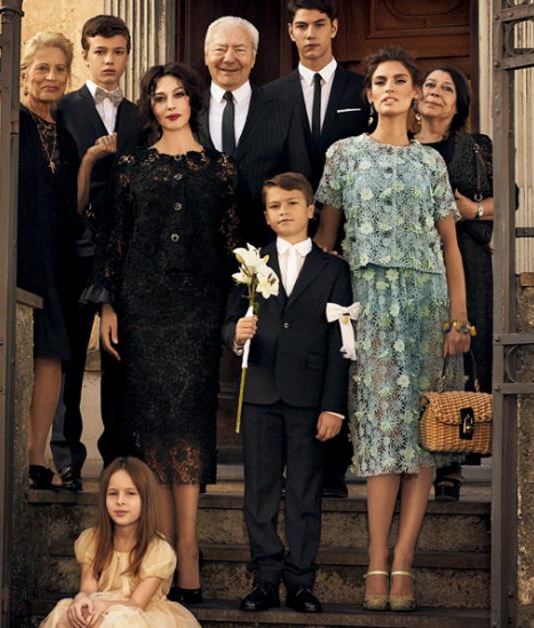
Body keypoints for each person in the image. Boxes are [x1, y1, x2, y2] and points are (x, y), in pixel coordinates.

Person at [314, 47, 471, 612]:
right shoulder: (343, 155)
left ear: (413, 94)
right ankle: (375, 559)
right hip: (370, 307)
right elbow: (327, 244)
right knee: (382, 435)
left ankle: (405, 560)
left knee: (425, 435)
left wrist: (459, 319)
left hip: (427, 306)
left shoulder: (431, 164)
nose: (389, 88)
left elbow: (450, 246)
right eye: (379, 81)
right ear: (370, 94)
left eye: (400, 80)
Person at [83, 63, 240, 604]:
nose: (170, 104)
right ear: (150, 106)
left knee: (189, 427)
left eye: (178, 95)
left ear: (194, 101)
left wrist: (232, 316)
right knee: (149, 431)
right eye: (159, 97)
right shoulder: (131, 166)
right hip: (140, 310)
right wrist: (107, 305)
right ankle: (161, 553)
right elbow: (113, 240)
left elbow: (232, 249)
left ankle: (187, 549)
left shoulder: (222, 170)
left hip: (198, 311)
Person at [221, 172, 352, 613]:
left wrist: (333, 406)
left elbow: (341, 343)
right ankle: (265, 577)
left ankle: (300, 580)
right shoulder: (250, 264)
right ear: (265, 215)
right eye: (275, 205)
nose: (284, 212)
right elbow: (228, 323)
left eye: (292, 203)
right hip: (260, 392)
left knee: (304, 493)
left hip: (309, 398)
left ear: (311, 209)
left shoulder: (334, 269)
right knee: (258, 492)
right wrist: (236, 335)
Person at [0, 31, 82, 491]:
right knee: (1, 352)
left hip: (52, 259)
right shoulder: (0, 118)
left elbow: (69, 204)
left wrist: (91, 161)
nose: (52, 76)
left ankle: (36, 456)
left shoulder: (66, 139)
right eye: (42, 68)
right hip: (1, 253)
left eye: (60, 69)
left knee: (50, 356)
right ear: (24, 72)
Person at [262, 0, 370, 499]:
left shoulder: (359, 90)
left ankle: (334, 468)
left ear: (335, 28)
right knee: (296, 345)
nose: (310, 34)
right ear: (290, 32)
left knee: (339, 347)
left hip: (352, 243)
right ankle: (292, 465)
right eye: (301, 26)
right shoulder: (271, 94)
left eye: (319, 25)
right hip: (291, 241)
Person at [56, 15, 143, 489]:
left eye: (118, 52)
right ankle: (66, 457)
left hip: (125, 256)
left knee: (119, 359)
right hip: (72, 252)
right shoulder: (63, 108)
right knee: (68, 356)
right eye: (101, 52)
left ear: (127, 55)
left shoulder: (140, 116)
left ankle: (118, 458)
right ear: (86, 55)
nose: (110, 61)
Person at [415, 65, 495, 502]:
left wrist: (473, 211)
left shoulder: (475, 147)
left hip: (466, 259)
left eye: (447, 88)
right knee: (420, 354)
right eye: (429, 84)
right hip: (415, 264)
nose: (435, 92)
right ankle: (417, 452)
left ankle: (453, 460)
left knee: (462, 357)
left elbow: (508, 200)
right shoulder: (400, 144)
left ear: (459, 103)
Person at [39, 457, 199, 627]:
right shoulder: (92, 540)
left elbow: (137, 604)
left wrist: (102, 606)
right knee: (69, 616)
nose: (120, 501)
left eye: (130, 493)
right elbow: (88, 588)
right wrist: (81, 598)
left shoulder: (158, 550)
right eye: (113, 493)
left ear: (146, 499)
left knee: (115, 623)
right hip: (99, 606)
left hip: (139, 615)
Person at [197, 16, 311, 247]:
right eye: (220, 49)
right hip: (198, 246)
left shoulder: (284, 113)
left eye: (240, 50)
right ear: (207, 54)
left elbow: (299, 184)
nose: (229, 58)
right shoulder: (187, 111)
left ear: (253, 58)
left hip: (264, 248)